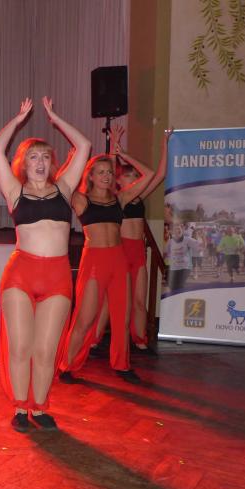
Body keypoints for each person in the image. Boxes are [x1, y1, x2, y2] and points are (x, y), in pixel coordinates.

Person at [0, 97, 91, 433]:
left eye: (45, 156)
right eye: (33, 156)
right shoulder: (14, 191)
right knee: (21, 346)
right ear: (23, 162)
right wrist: (18, 120)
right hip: (21, 274)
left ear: (52, 163)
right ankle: (21, 407)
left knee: (46, 350)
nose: (40, 161)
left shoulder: (64, 187)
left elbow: (84, 145)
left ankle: (40, 406)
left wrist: (56, 119)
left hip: (57, 276)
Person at [58, 133, 163, 386]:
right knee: (85, 318)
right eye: (101, 172)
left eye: (109, 172)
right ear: (91, 176)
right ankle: (66, 365)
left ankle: (122, 364)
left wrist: (124, 155)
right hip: (94, 261)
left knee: (122, 318)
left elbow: (149, 175)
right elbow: (61, 185)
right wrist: (69, 162)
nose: (106, 176)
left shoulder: (121, 198)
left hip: (119, 260)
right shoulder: (81, 200)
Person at [91, 126, 171, 351]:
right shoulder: (116, 198)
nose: (135, 178)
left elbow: (158, 174)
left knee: (139, 300)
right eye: (129, 175)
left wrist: (165, 144)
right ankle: (94, 339)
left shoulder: (140, 196)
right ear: (118, 181)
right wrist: (115, 151)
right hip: (121, 251)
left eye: (136, 176)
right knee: (109, 301)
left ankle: (140, 339)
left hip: (138, 253)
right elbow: (108, 169)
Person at [165, 223, 200, 291]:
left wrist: (203, 238)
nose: (177, 230)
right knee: (172, 287)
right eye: (175, 229)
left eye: (179, 229)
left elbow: (199, 246)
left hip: (185, 267)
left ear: (182, 230)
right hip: (173, 267)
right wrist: (166, 264)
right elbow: (166, 253)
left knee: (180, 286)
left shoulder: (188, 240)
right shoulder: (170, 241)